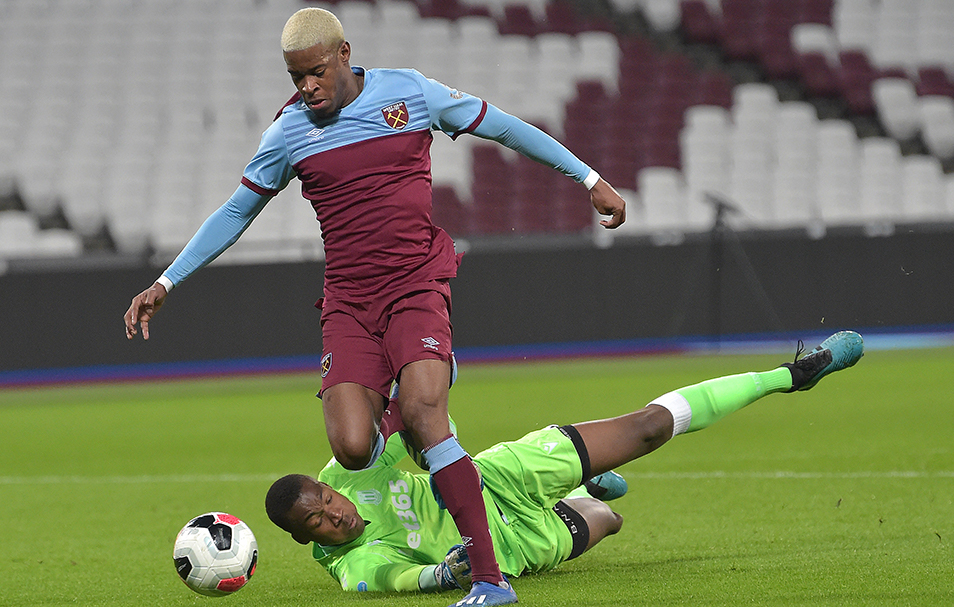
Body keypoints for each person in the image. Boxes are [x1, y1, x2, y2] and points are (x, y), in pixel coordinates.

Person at [123, 7, 629, 606]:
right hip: (349, 302)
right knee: (354, 449)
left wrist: (588, 176)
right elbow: (237, 211)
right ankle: (430, 375)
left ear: (343, 54)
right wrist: (167, 281)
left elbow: (504, 127)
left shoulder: (409, 93)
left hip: (415, 282)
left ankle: (491, 581)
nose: (306, 87)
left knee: (422, 415)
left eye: (314, 73)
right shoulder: (288, 132)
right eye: (295, 78)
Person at [264, 331, 864, 598]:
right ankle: (583, 491)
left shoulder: (349, 470)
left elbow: (412, 423)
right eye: (316, 523)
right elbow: (400, 580)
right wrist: (447, 575)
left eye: (324, 501)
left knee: (648, 429)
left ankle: (792, 374)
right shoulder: (353, 568)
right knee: (606, 518)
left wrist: (425, 374)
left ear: (325, 486)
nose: (333, 515)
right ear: (303, 541)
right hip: (514, 545)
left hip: (494, 478)